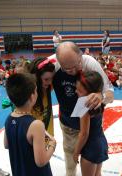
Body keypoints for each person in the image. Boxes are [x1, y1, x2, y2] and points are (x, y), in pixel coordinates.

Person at [49, 41, 114, 176]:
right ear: (60, 63)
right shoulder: (53, 65)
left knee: (93, 163)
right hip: (69, 123)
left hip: (92, 126)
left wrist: (100, 95)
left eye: (76, 65)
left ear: (81, 55)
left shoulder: (89, 63)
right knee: (71, 161)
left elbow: (111, 95)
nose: (73, 71)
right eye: (67, 69)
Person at [4, 73, 56, 176]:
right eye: (36, 90)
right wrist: (53, 144)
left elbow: (6, 145)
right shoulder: (36, 125)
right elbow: (41, 162)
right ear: (32, 96)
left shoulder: (9, 118)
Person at [73, 71, 108, 176]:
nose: (76, 92)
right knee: (98, 173)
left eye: (79, 91)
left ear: (90, 93)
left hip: (90, 147)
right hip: (101, 142)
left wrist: (76, 153)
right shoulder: (99, 101)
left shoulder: (84, 104)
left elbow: (84, 134)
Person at [27, 57, 56, 136]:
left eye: (51, 78)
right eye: (46, 79)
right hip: (36, 140)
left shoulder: (46, 88)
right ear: (36, 78)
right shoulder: (29, 97)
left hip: (48, 136)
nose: (50, 82)